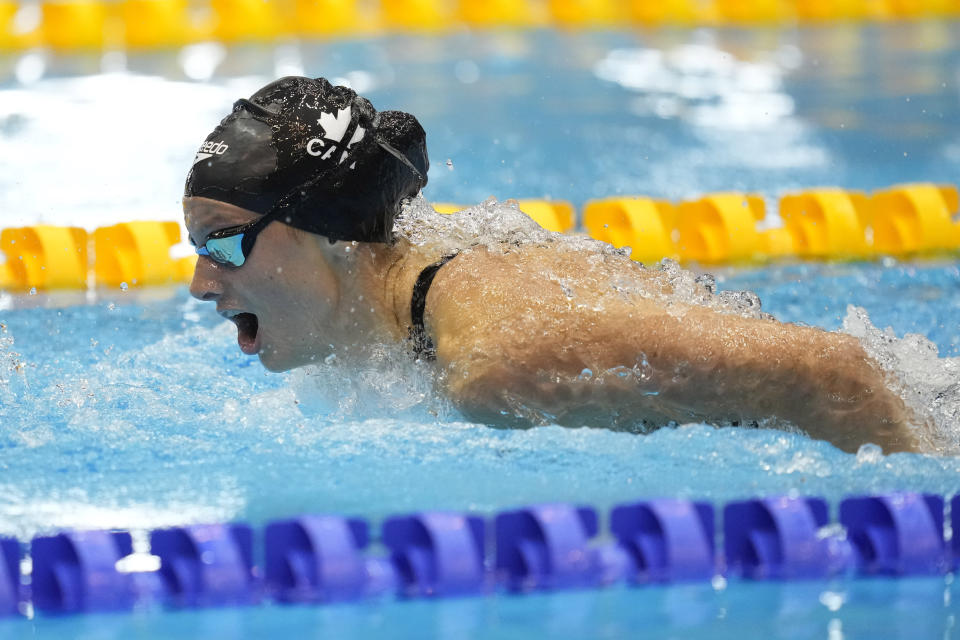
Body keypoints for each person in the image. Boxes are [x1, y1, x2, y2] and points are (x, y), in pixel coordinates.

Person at [184, 76, 923, 455]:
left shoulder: (499, 359)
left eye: (221, 240)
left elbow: (833, 374)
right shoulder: (399, 302)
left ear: (332, 231)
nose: (200, 283)